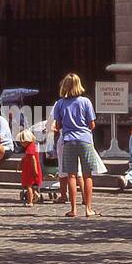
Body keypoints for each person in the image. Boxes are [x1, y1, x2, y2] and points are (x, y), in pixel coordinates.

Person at [51, 73, 104, 217]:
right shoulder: (86, 102)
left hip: (68, 140)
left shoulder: (60, 103)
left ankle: (73, 209)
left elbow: (58, 124)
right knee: (87, 175)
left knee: (71, 175)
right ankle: (88, 208)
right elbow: (92, 124)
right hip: (85, 140)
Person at [18, 128, 43, 204]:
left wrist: (35, 170)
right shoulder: (32, 146)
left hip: (30, 169)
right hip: (29, 168)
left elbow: (33, 159)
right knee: (31, 186)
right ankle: (35, 195)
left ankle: (30, 201)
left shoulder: (30, 147)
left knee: (28, 186)